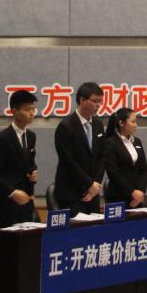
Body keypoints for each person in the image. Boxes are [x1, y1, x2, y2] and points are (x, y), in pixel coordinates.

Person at [0, 89, 40, 228]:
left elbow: (29, 163)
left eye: (33, 109)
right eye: (27, 109)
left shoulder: (31, 136)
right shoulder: (2, 138)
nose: (32, 113)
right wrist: (12, 192)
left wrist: (33, 173)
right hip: (6, 202)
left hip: (26, 200)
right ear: (14, 111)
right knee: (10, 240)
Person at [54, 82, 106, 215]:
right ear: (82, 100)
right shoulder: (66, 126)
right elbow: (68, 161)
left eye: (100, 102)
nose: (98, 105)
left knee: (95, 227)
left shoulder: (98, 124)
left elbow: (102, 156)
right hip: (72, 193)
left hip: (93, 193)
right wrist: (89, 184)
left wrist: (95, 184)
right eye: (95, 101)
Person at [103, 106, 147, 208]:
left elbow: (144, 170)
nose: (136, 125)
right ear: (121, 123)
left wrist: (140, 192)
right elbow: (113, 173)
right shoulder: (110, 143)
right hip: (118, 196)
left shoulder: (137, 141)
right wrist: (132, 192)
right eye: (133, 122)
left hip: (138, 197)